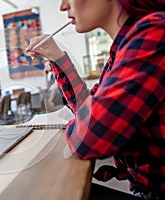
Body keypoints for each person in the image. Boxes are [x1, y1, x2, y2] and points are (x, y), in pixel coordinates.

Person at [26, 0, 165, 199]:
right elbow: (88, 109)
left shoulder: (154, 34)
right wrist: (56, 57)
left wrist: (81, 125)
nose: (63, 6)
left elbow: (90, 136)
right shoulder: (123, 49)